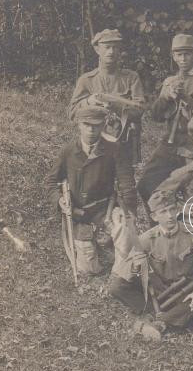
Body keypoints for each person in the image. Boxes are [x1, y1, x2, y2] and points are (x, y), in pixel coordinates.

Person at [108, 190, 193, 337]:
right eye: (163, 212)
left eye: (172, 209)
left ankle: (160, 324)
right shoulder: (146, 239)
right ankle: (155, 313)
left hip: (185, 292)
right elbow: (125, 272)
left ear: (178, 209)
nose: (169, 216)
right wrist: (135, 267)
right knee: (116, 287)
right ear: (154, 217)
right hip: (159, 292)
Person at [44, 106, 137, 277]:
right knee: (88, 269)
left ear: (103, 125)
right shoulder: (68, 151)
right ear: (79, 124)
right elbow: (50, 182)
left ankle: (121, 274)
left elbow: (127, 183)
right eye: (86, 124)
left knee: (124, 230)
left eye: (96, 125)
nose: (91, 130)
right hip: (80, 215)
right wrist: (59, 200)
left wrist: (129, 212)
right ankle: (98, 245)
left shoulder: (114, 149)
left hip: (105, 210)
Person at [138, 33, 193, 203]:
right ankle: (162, 217)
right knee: (146, 184)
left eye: (187, 54)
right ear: (173, 56)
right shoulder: (170, 81)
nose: (183, 59)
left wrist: (185, 97)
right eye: (179, 54)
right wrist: (166, 97)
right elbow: (156, 116)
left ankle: (186, 217)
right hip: (170, 143)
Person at [68, 29, 146, 163]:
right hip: (93, 143)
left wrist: (114, 105)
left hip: (123, 144)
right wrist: (89, 101)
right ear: (97, 49)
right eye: (107, 47)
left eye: (115, 47)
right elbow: (72, 113)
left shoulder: (131, 78)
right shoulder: (86, 80)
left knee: (124, 176)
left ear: (120, 50)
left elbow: (139, 110)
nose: (111, 52)